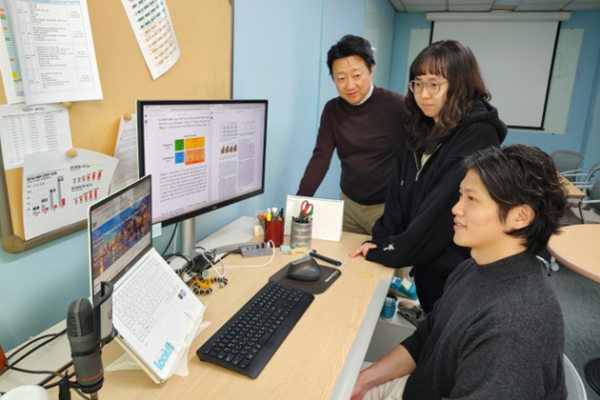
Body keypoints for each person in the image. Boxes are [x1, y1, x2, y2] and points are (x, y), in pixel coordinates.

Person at [351, 144, 568, 400]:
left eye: (472, 198)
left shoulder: (513, 329)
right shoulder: (473, 267)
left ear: (520, 216)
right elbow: (427, 337)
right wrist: (364, 381)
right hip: (416, 387)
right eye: (460, 195)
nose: (456, 209)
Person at [350, 40, 507, 312]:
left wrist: (389, 250)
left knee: (444, 338)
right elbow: (397, 195)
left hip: (456, 269)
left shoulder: (477, 134)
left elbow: (440, 210)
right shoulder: (421, 128)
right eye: (417, 83)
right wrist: (380, 239)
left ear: (460, 85)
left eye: (434, 84)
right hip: (427, 264)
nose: (423, 94)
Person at [297, 35, 406, 235]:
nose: (349, 86)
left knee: (387, 265)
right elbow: (321, 157)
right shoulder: (332, 110)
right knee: (348, 262)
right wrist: (299, 203)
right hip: (348, 206)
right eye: (341, 78)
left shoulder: (399, 106)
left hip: (388, 208)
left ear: (371, 70)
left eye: (356, 76)